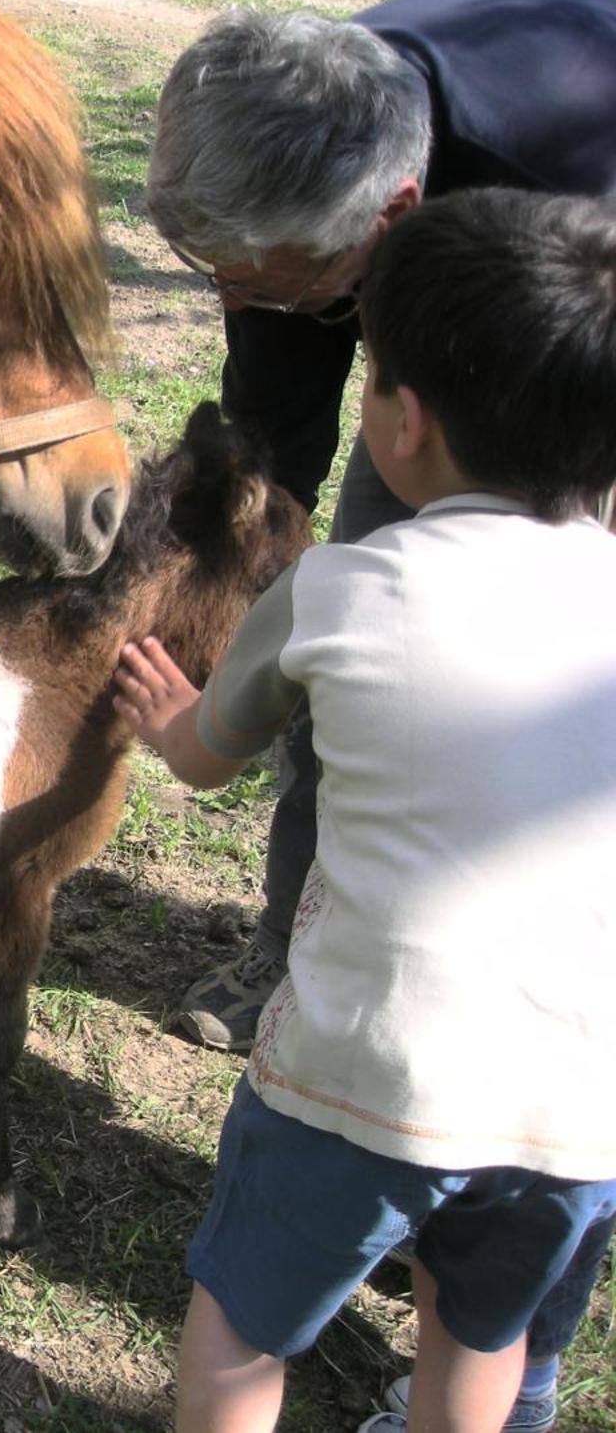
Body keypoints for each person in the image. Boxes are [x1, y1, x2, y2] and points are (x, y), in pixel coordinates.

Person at [112, 187, 616, 1433]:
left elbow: (207, 758)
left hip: (359, 1073)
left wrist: (166, 713)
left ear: (401, 420)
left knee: (239, 1332)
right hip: (578, 1103)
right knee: (479, 1333)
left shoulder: (340, 587)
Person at [147, 0, 616, 1053]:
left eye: (263, 284)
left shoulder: (565, 182)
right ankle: (292, 943)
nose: (230, 301)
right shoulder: (302, 138)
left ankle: (538, 978)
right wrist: (257, 600)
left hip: (581, 373)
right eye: (213, 277)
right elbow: (277, 443)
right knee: (358, 646)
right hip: (428, 330)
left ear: (392, 218)